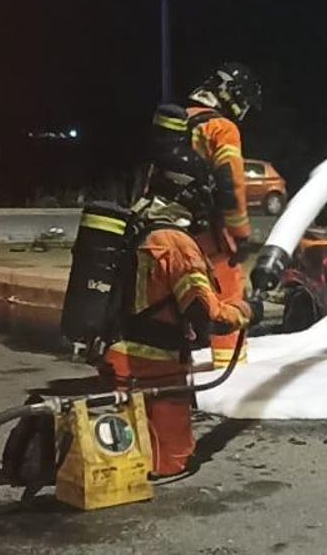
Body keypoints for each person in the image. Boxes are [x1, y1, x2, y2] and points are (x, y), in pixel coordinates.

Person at [103, 146, 251, 479]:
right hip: (156, 369)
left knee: (125, 453)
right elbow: (206, 314)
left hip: (121, 358)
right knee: (171, 462)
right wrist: (245, 312)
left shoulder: (139, 228)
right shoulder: (176, 243)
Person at [184, 62, 262, 368]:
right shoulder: (221, 128)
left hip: (165, 228)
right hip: (206, 231)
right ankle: (230, 368)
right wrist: (240, 235)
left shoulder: (178, 122)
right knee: (230, 293)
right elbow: (231, 186)